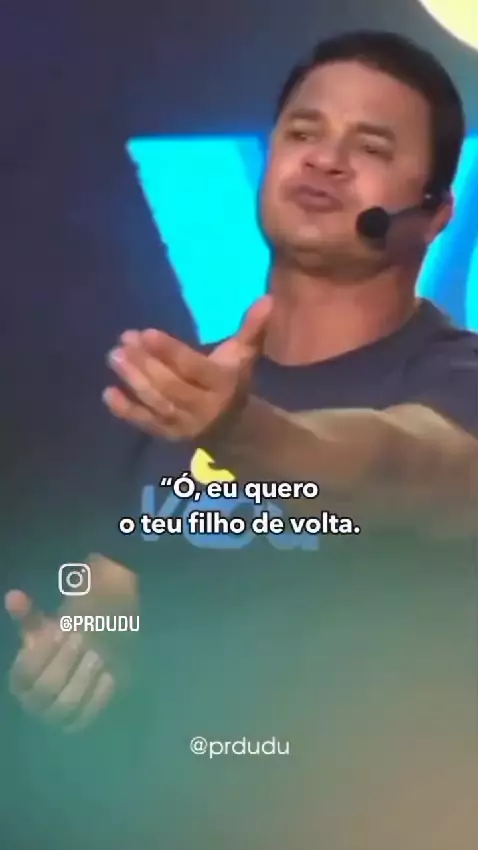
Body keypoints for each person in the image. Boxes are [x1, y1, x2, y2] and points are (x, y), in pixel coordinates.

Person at [5, 30, 478, 850]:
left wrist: (244, 431)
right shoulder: (184, 390)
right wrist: (81, 654)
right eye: (303, 132)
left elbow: (405, 463)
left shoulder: (453, 379)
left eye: (370, 147)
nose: (325, 159)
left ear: (435, 215)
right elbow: (119, 590)